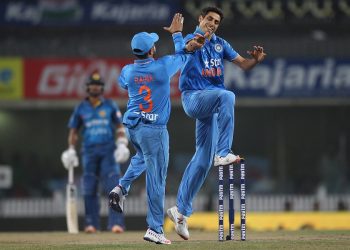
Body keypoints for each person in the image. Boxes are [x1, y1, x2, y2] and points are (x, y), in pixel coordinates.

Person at [166, 6, 267, 240]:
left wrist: (255, 61)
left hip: (210, 104)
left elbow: (242, 64)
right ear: (200, 19)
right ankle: (223, 152)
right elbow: (182, 51)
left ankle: (180, 212)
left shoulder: (221, 43)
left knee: (202, 161)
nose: (212, 23)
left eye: (216, 21)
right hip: (193, 98)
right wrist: (184, 40)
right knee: (228, 96)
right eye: (209, 19)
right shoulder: (193, 37)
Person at [108, 13, 204, 244]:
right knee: (156, 179)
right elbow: (184, 55)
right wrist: (178, 35)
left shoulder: (127, 72)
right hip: (154, 129)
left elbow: (123, 83)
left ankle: (121, 188)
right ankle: (154, 228)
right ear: (151, 50)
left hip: (133, 127)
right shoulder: (162, 67)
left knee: (141, 158)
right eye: (153, 44)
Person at [61, 72, 130, 233]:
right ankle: (91, 223)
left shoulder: (110, 105)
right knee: (89, 187)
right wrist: (71, 150)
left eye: (98, 85)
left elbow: (120, 127)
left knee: (114, 186)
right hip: (89, 151)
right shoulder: (81, 108)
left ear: (102, 88)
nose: (95, 87)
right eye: (92, 84)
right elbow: (74, 132)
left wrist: (121, 144)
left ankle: (116, 223)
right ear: (87, 87)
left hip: (108, 150)